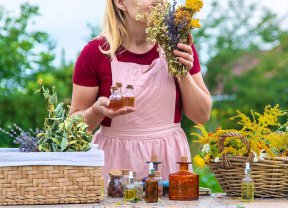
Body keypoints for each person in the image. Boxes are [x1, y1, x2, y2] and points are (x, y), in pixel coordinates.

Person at [69, 0, 212, 181]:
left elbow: (202, 115)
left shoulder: (179, 45)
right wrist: (96, 111)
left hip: (169, 160)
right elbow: (71, 130)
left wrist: (182, 72)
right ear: (120, 3)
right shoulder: (95, 53)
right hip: (115, 165)